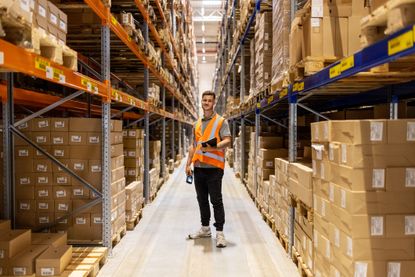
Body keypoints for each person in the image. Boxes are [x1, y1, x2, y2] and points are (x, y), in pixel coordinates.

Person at [186, 90, 231, 248]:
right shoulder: (196, 124)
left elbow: (227, 140)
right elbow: (193, 146)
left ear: (213, 103)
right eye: (204, 100)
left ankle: (219, 232)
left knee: (216, 200)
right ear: (201, 102)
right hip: (199, 168)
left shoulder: (221, 121)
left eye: (209, 100)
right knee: (202, 200)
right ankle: (205, 228)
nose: (206, 103)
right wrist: (188, 164)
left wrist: (213, 148)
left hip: (214, 168)